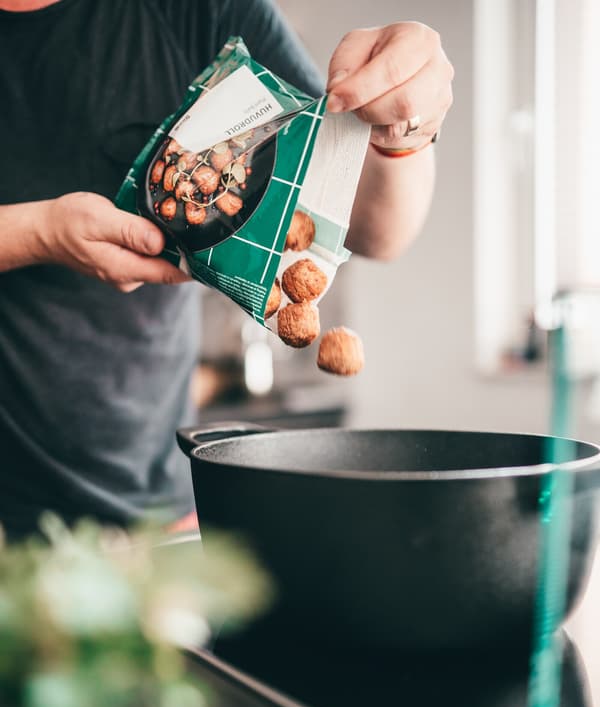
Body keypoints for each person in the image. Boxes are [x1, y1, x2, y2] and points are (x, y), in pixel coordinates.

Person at [0, 0, 454, 538]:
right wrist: (36, 232)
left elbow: (376, 230)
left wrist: (405, 130)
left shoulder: (200, 9)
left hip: (152, 511)